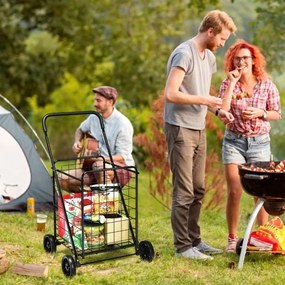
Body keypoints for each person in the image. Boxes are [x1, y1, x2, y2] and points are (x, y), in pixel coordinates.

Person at [164, 10, 237, 260]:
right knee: (183, 189)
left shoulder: (209, 58)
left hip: (198, 127)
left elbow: (201, 95)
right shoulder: (184, 53)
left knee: (198, 188)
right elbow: (171, 94)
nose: (222, 44)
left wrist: (217, 111)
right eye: (222, 39)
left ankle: (195, 241)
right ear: (210, 31)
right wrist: (205, 99)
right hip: (180, 126)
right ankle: (182, 247)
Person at [218, 39, 281, 252]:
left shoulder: (266, 84)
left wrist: (260, 113)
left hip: (260, 143)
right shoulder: (228, 83)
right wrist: (232, 84)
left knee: (260, 193)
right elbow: (223, 111)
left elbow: (276, 113)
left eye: (245, 58)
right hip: (234, 141)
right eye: (237, 58)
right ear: (232, 61)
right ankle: (232, 239)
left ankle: (262, 237)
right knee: (235, 190)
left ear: (253, 60)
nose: (241, 61)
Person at [59, 86, 135, 192]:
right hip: (94, 167)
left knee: (99, 166)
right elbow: (80, 130)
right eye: (95, 100)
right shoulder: (94, 117)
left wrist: (100, 159)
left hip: (120, 168)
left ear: (110, 101)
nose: (95, 104)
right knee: (62, 178)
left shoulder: (122, 124)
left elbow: (122, 156)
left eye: (98, 101)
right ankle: (90, 198)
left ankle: (108, 204)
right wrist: (76, 141)